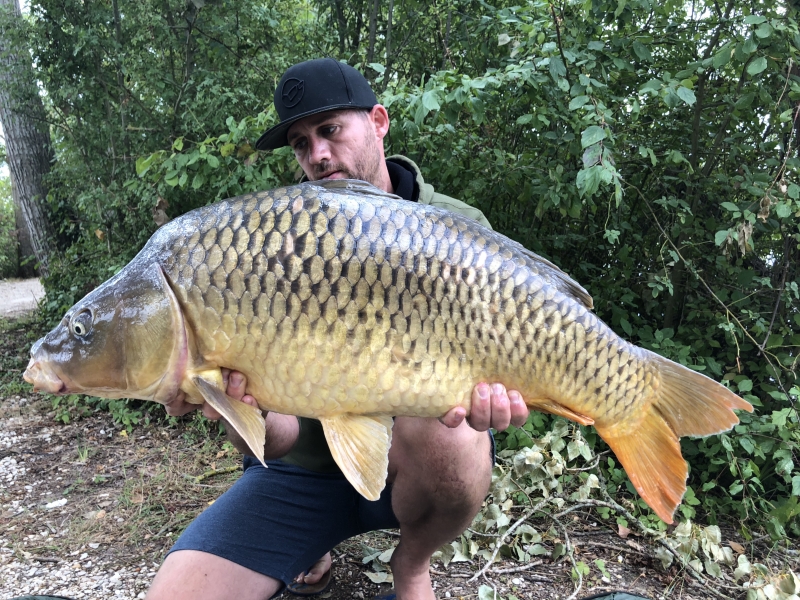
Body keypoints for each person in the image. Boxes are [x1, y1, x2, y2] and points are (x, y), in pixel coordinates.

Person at [146, 58, 530, 600]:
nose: (318, 154)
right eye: (302, 144)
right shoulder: (271, 244)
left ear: (378, 121)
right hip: (300, 474)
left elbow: (508, 357)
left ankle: (413, 563)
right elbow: (276, 440)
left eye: (330, 130)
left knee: (455, 431)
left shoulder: (456, 227)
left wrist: (501, 399)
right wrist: (233, 406)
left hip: (413, 469)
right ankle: (313, 546)